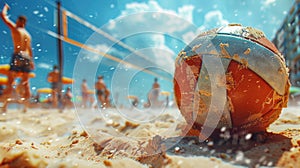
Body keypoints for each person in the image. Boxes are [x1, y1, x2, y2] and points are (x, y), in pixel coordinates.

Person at [1, 4, 34, 106]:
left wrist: (6, 7)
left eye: (17, 20)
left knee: (10, 83)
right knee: (26, 84)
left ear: (20, 21)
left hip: (18, 55)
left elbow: (3, 16)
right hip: (27, 58)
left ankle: (4, 105)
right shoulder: (28, 35)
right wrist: (32, 61)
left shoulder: (16, 29)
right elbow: (30, 49)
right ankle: (26, 106)